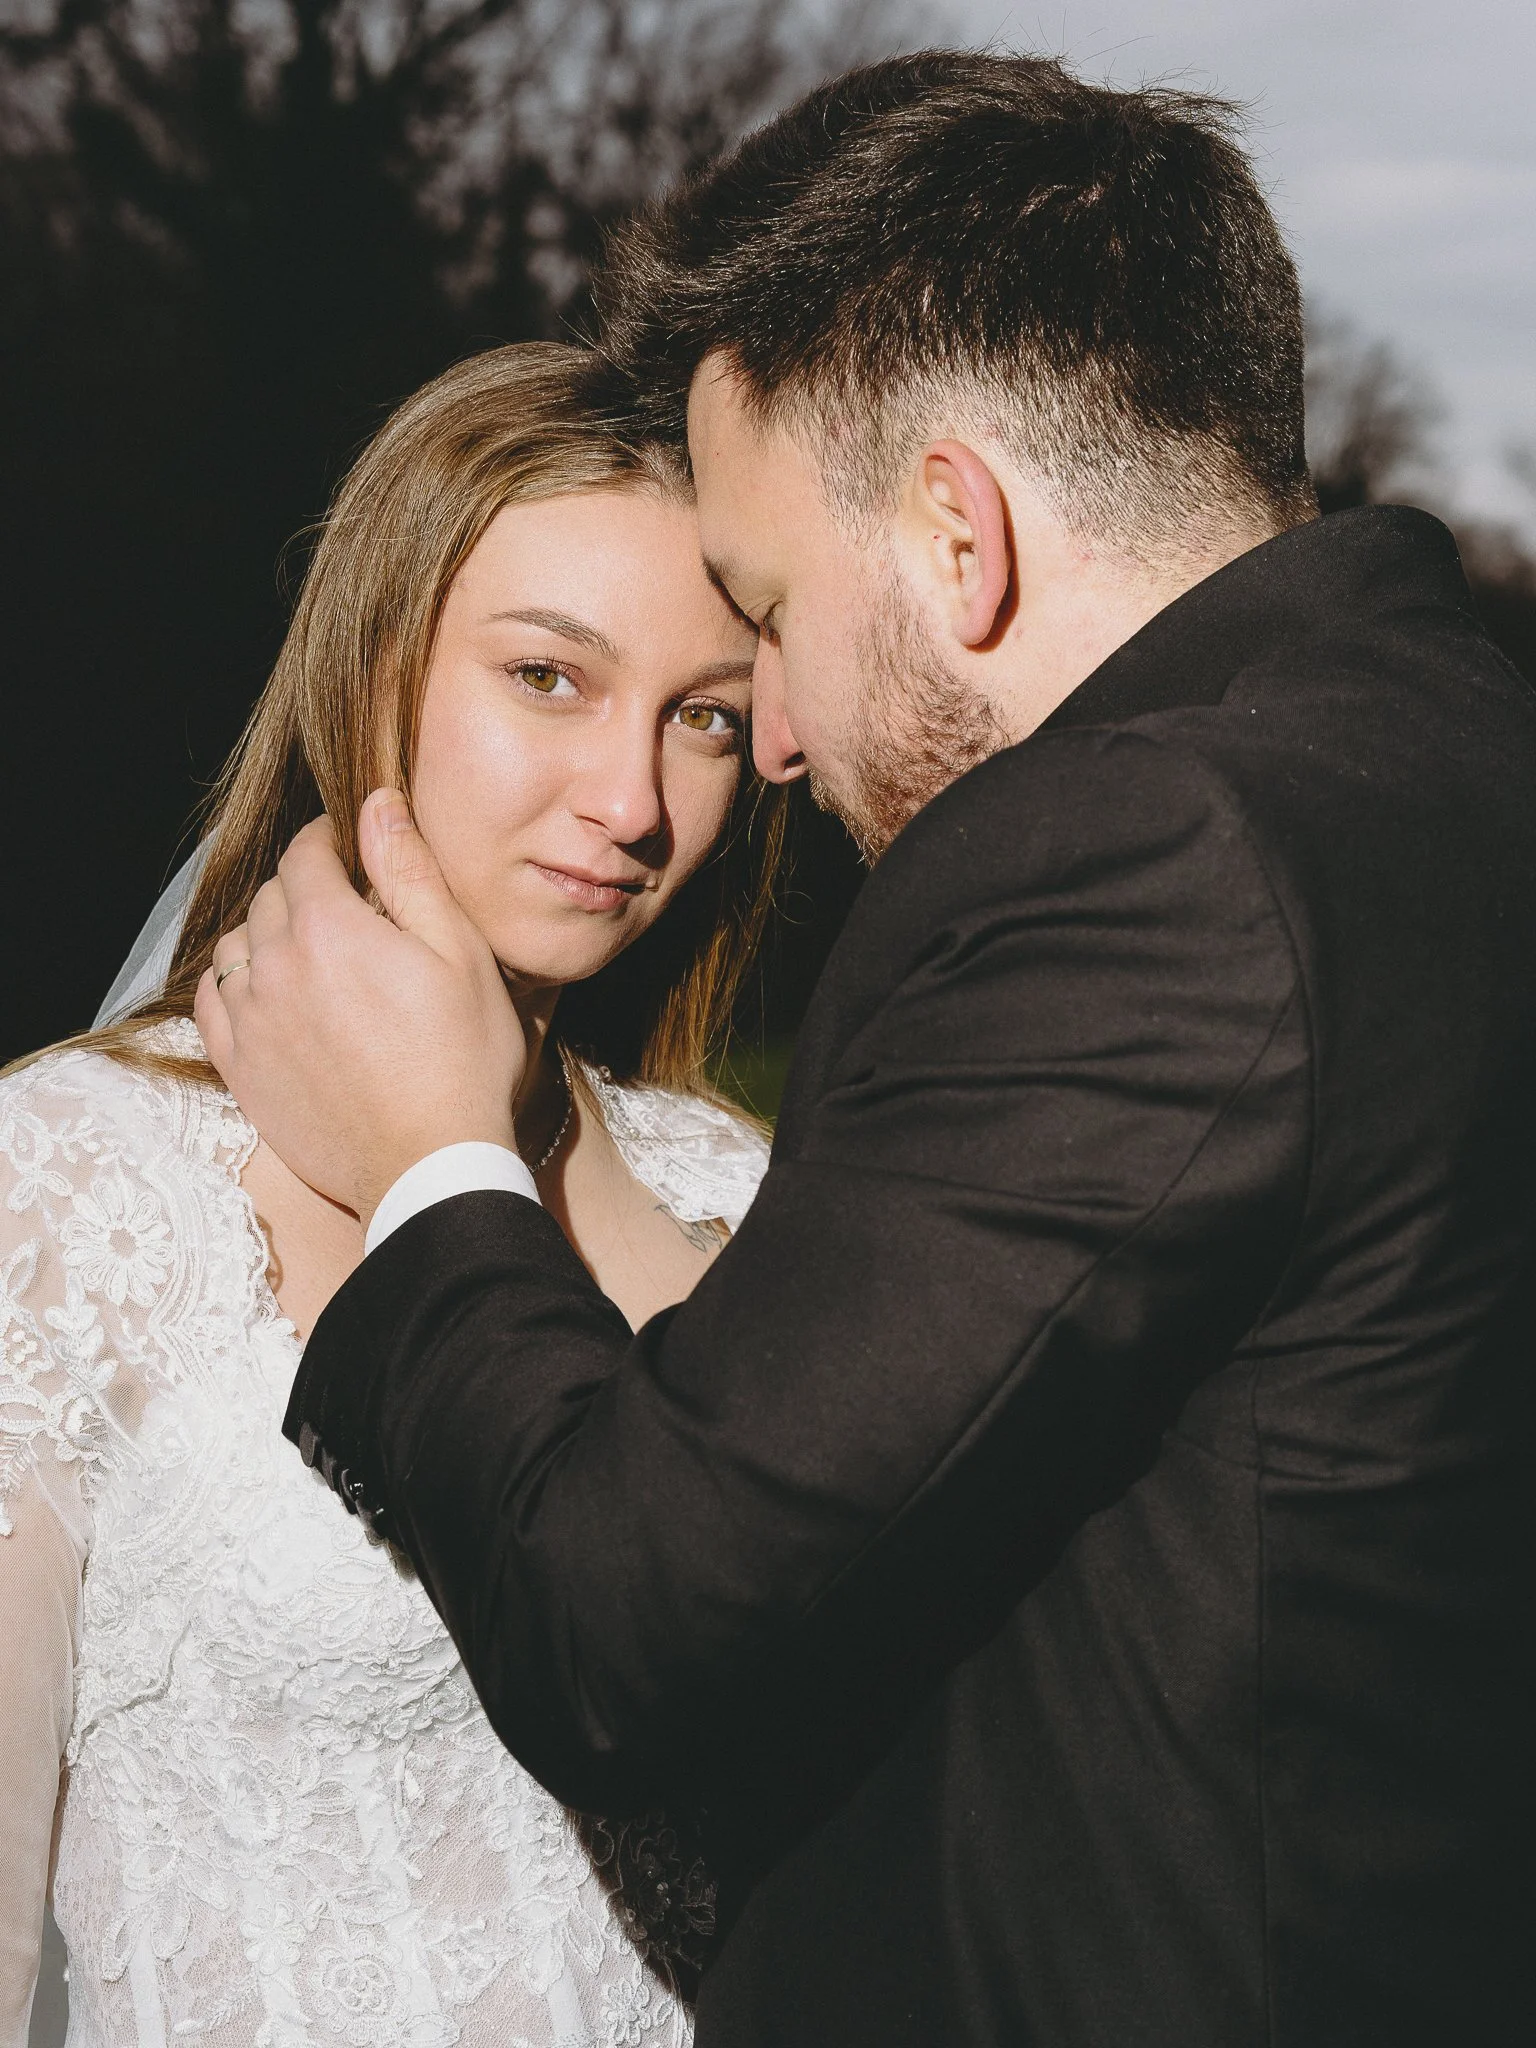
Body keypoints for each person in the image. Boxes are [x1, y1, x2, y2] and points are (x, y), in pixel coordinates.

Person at [200, 49, 1535, 2048]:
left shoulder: (1155, 849)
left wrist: (421, 1164)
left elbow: (633, 1614)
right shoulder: (1452, 759)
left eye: (761, 616)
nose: (783, 741)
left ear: (957, 531)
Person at [0, 341, 789, 2048]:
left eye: (706, 716)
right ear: (377, 670)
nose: (634, 801)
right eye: (549, 678)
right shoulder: (63, 1186)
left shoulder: (753, 1197)